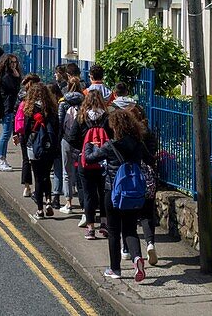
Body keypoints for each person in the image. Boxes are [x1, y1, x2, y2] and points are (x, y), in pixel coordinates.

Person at [84, 107, 154, 282]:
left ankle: (115, 269)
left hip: (113, 192)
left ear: (115, 127)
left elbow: (90, 159)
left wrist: (89, 145)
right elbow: (150, 159)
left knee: (114, 231)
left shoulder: (111, 146)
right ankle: (137, 257)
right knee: (130, 229)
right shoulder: (138, 144)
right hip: (133, 192)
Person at [22, 82, 60, 219]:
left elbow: (25, 130)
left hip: (34, 146)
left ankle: (40, 210)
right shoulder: (51, 109)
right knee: (46, 176)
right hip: (49, 147)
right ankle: (49, 201)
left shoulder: (30, 110)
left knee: (38, 178)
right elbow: (57, 128)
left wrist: (25, 143)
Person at [75, 90, 110, 237]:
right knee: (104, 193)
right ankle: (104, 224)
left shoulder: (82, 117)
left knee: (89, 195)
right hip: (103, 162)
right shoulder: (107, 118)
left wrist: (83, 148)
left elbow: (71, 137)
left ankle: (90, 229)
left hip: (86, 161)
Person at [130, 103, 160, 266]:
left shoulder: (128, 135)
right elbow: (152, 155)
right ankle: (150, 244)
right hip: (148, 178)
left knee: (129, 215)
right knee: (148, 214)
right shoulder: (149, 132)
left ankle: (128, 251)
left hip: (131, 179)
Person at [51, 78, 84, 213]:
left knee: (66, 171)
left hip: (66, 140)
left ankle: (68, 203)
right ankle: (83, 203)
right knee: (81, 171)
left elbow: (59, 123)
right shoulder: (84, 101)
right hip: (81, 141)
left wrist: (57, 142)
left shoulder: (63, 102)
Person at [0, 54, 22, 171]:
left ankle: (3, 159)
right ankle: (0, 159)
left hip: (8, 107)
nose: (14, 65)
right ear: (6, 64)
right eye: (11, 63)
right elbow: (15, 89)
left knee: (6, 134)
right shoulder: (7, 77)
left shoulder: (8, 76)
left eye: (15, 62)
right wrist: (17, 76)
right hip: (7, 108)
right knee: (5, 134)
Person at [14, 75, 41, 198]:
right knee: (37, 162)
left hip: (23, 133)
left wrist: (15, 134)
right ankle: (38, 187)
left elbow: (16, 116)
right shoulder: (40, 99)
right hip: (37, 133)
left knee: (26, 160)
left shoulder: (21, 97)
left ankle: (26, 187)